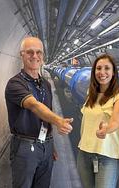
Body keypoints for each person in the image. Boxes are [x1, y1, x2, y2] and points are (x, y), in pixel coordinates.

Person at [5, 36, 73, 188]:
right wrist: (59, 121)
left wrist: (51, 143)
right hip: (25, 146)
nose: (35, 56)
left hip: (45, 146)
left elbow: (46, 115)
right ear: (21, 55)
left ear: (43, 56)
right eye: (29, 52)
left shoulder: (46, 84)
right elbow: (34, 106)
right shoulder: (15, 83)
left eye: (38, 52)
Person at [77, 54, 119, 188]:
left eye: (107, 68)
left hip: (106, 156)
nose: (102, 72)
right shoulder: (91, 94)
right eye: (98, 68)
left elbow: (116, 121)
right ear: (94, 72)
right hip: (84, 153)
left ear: (113, 72)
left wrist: (106, 129)